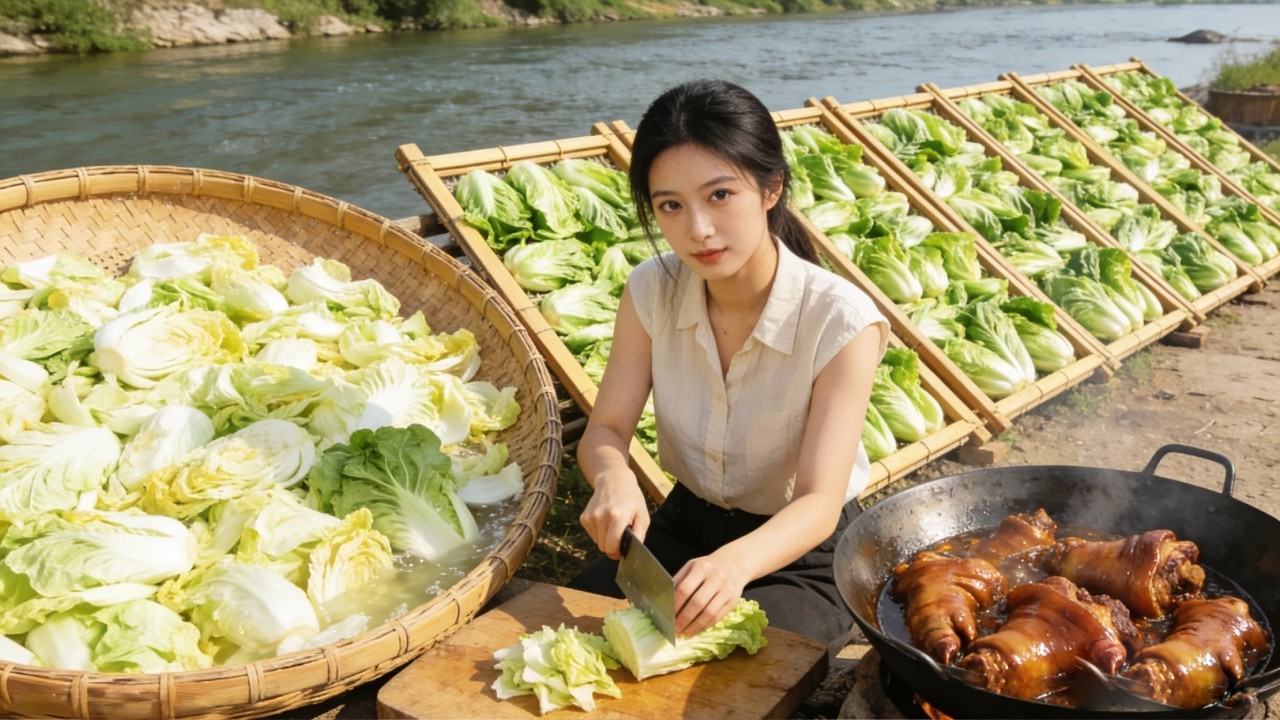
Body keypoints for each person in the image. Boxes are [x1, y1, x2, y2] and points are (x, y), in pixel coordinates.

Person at [568, 78, 889, 656]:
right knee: (577, 634)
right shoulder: (650, 290)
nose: (698, 230)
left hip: (802, 554)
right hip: (683, 528)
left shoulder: (840, 319)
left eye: (719, 195)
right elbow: (606, 430)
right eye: (670, 205)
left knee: (726, 675)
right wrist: (613, 477)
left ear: (771, 187)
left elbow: (819, 502)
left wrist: (734, 564)